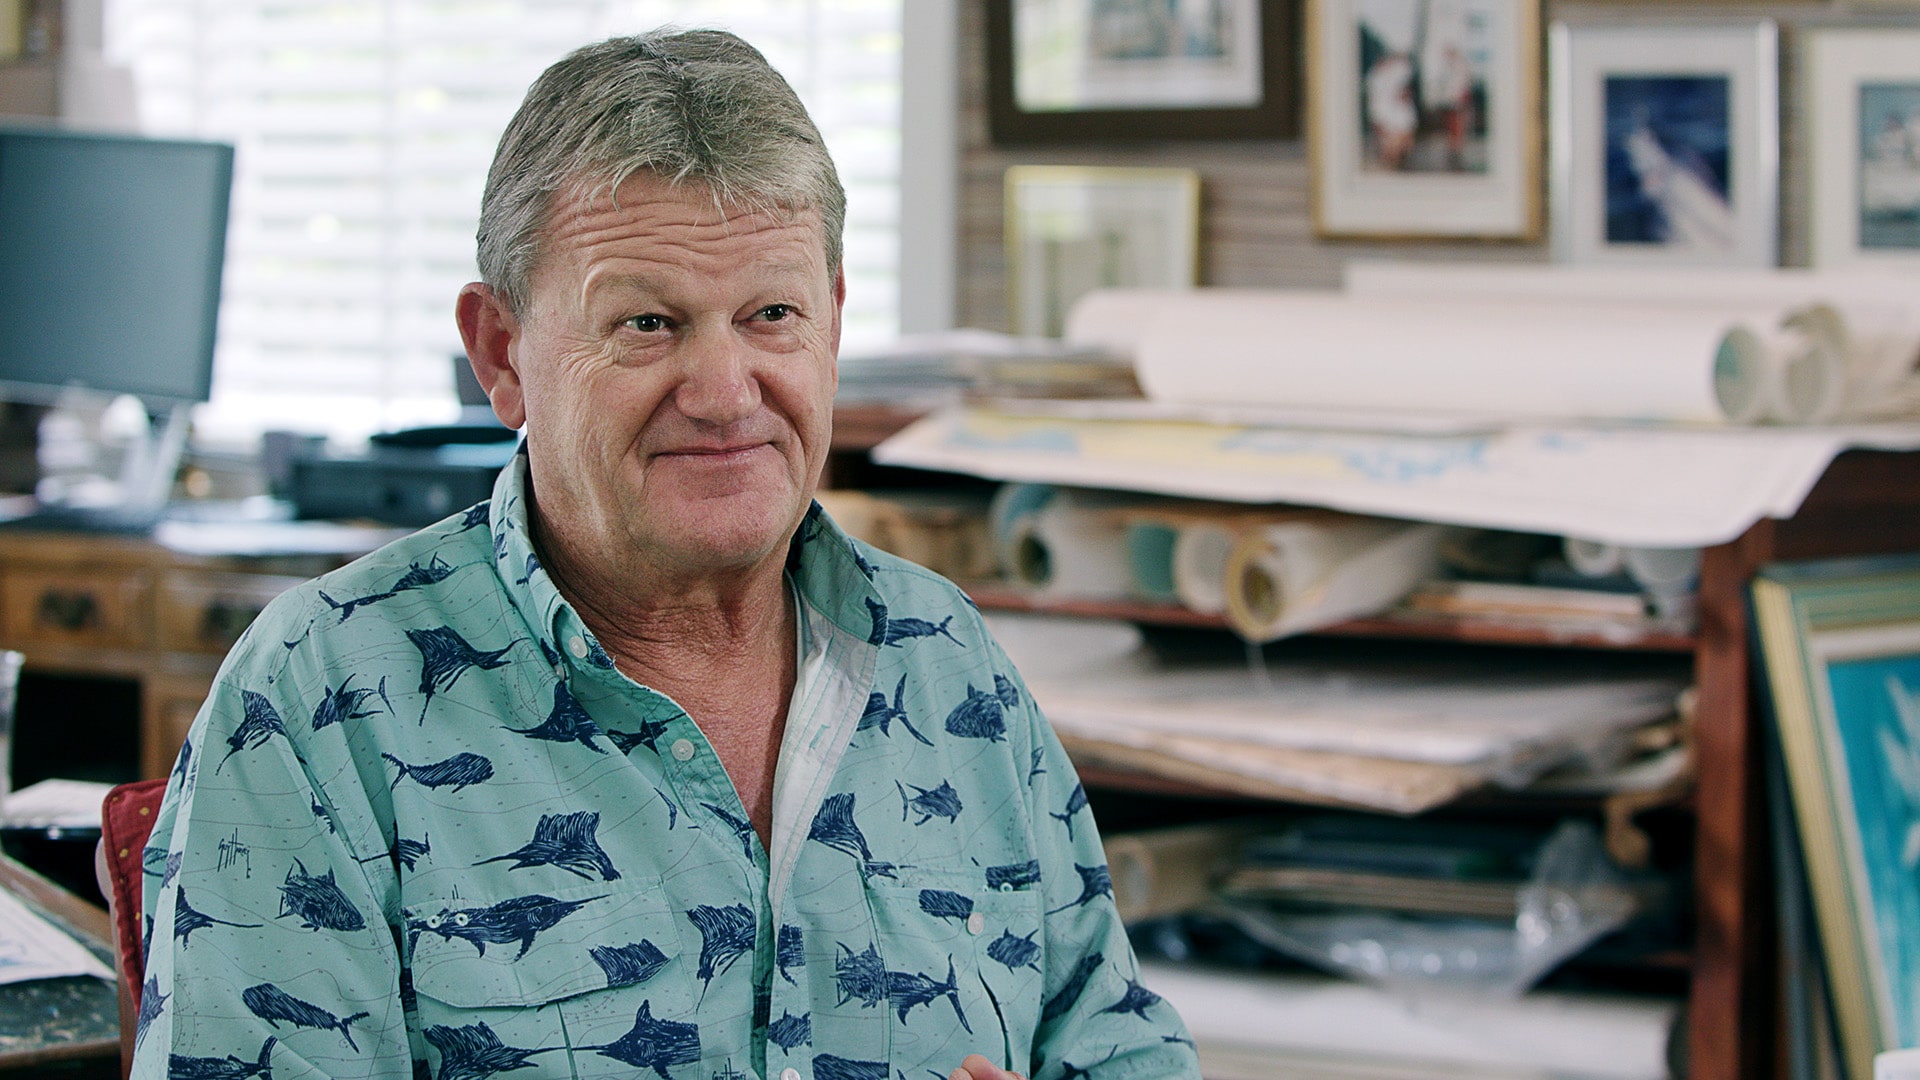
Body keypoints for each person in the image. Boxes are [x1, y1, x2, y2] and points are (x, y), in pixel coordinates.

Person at [130, 28, 1200, 1080]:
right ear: (501, 354)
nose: (725, 393)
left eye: (770, 313)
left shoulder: (946, 656)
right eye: (647, 324)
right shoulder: (321, 698)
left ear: (832, 321)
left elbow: (1116, 1041)